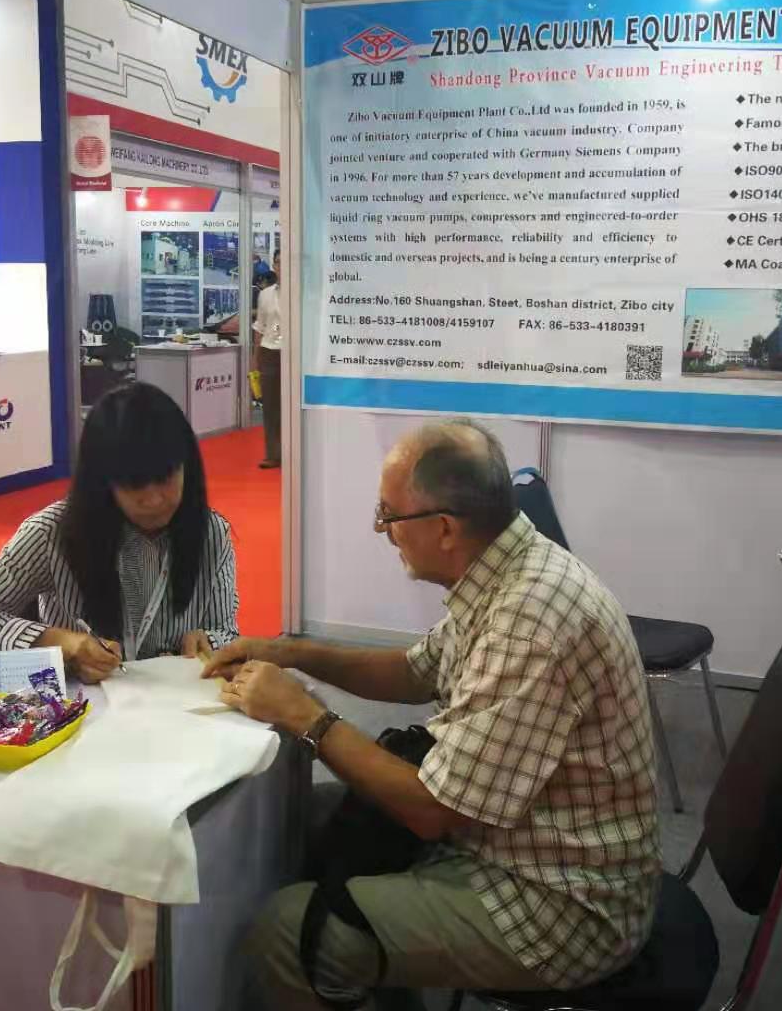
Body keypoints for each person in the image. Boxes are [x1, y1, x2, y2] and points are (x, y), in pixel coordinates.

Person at [201, 420, 660, 1008]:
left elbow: (430, 811)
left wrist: (307, 716)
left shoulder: (530, 621)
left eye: (388, 515)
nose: (383, 531)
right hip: (513, 838)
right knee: (302, 821)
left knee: (287, 932)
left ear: (444, 527)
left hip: (560, 900)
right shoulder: (507, 568)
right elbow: (416, 671)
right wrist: (287, 653)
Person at [0, 383, 238, 679]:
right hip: (82, 702)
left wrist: (208, 641)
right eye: (133, 484)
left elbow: (226, 631)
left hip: (178, 700)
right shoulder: (50, 533)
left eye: (165, 478)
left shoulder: (211, 532)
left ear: (187, 466)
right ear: (102, 481)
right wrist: (61, 642)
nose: (154, 500)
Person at [254, 268, 283, 469]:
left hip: (295, 352)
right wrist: (255, 357)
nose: (282, 265)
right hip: (270, 350)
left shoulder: (304, 292)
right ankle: (273, 454)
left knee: (293, 405)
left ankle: (294, 453)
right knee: (271, 405)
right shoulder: (265, 294)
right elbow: (260, 326)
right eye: (278, 262)